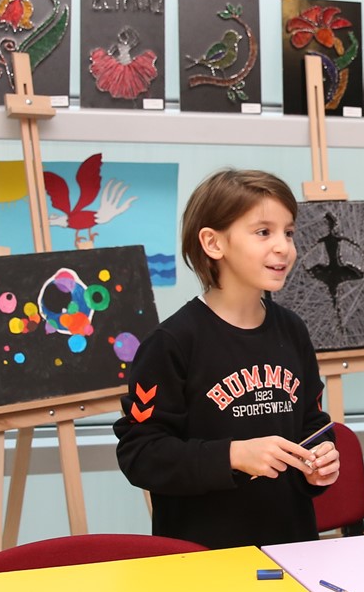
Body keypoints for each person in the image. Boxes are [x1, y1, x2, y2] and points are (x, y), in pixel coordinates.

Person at [115, 168, 339, 548]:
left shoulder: (293, 330)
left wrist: (320, 459)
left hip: (291, 547)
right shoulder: (171, 343)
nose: (284, 247)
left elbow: (313, 423)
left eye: (288, 232)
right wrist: (232, 455)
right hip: (203, 557)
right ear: (213, 243)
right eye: (263, 232)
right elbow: (141, 454)